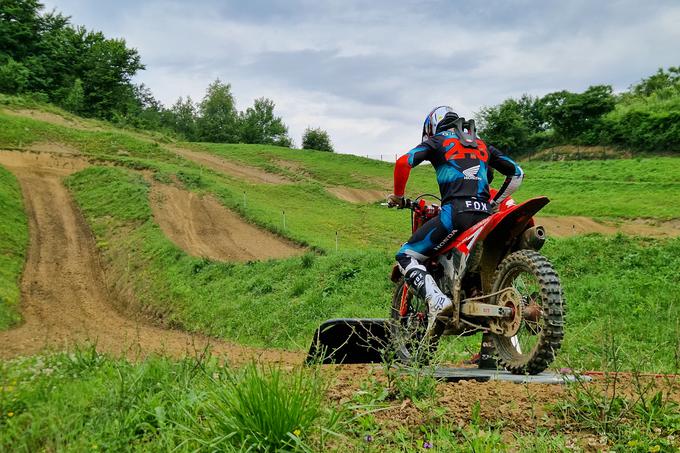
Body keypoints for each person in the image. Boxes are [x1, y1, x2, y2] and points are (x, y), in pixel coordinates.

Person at [387, 106, 524, 336]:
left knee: (405, 255)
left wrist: (399, 197)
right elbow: (517, 173)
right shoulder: (481, 143)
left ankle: (437, 300)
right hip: (484, 216)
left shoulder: (437, 141)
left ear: (431, 127)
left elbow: (403, 163)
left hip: (455, 215)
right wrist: (492, 202)